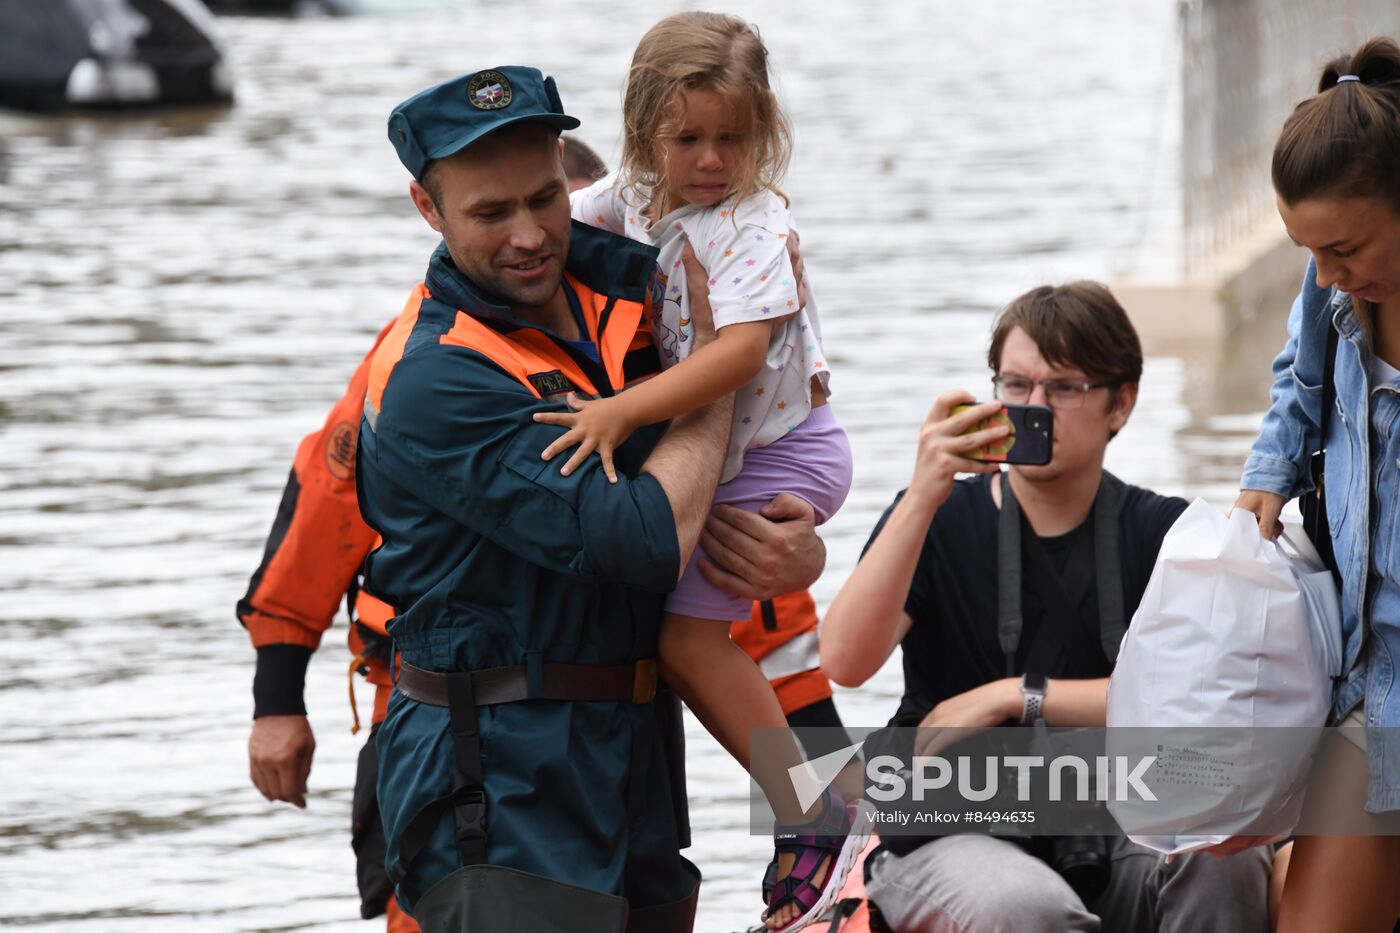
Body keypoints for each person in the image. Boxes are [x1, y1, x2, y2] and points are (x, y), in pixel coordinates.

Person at [238, 134, 844, 930]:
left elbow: (719, 542)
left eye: (549, 208)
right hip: (465, 737)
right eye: (495, 214)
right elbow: (321, 512)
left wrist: (792, 552)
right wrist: (277, 697)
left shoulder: (646, 337)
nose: (534, 241)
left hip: (624, 749)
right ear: (435, 212)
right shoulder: (428, 367)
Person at [821, 282, 1273, 932]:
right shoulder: (936, 519)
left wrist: (1015, 696)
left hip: (1116, 821)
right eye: (1016, 385)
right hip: (954, 825)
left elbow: (1199, 702)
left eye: (1063, 388)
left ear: (1121, 403)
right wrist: (922, 493)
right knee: (1025, 906)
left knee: (1226, 855)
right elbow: (845, 661)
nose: (1035, 408)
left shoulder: (1166, 534)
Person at [558, 14, 857, 929]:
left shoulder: (753, 222)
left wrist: (620, 411)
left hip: (782, 447)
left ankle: (813, 810)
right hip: (728, 452)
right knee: (682, 634)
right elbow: (556, 223)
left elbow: (739, 353)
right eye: (687, 139)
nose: (712, 160)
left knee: (688, 641)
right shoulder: (630, 199)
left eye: (733, 137)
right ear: (643, 131)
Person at [1234, 37, 1400, 933]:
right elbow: (1297, 379)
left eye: (1344, 247)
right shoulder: (1331, 284)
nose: (1328, 274)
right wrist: (1267, 470)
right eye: (1309, 250)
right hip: (1372, 674)